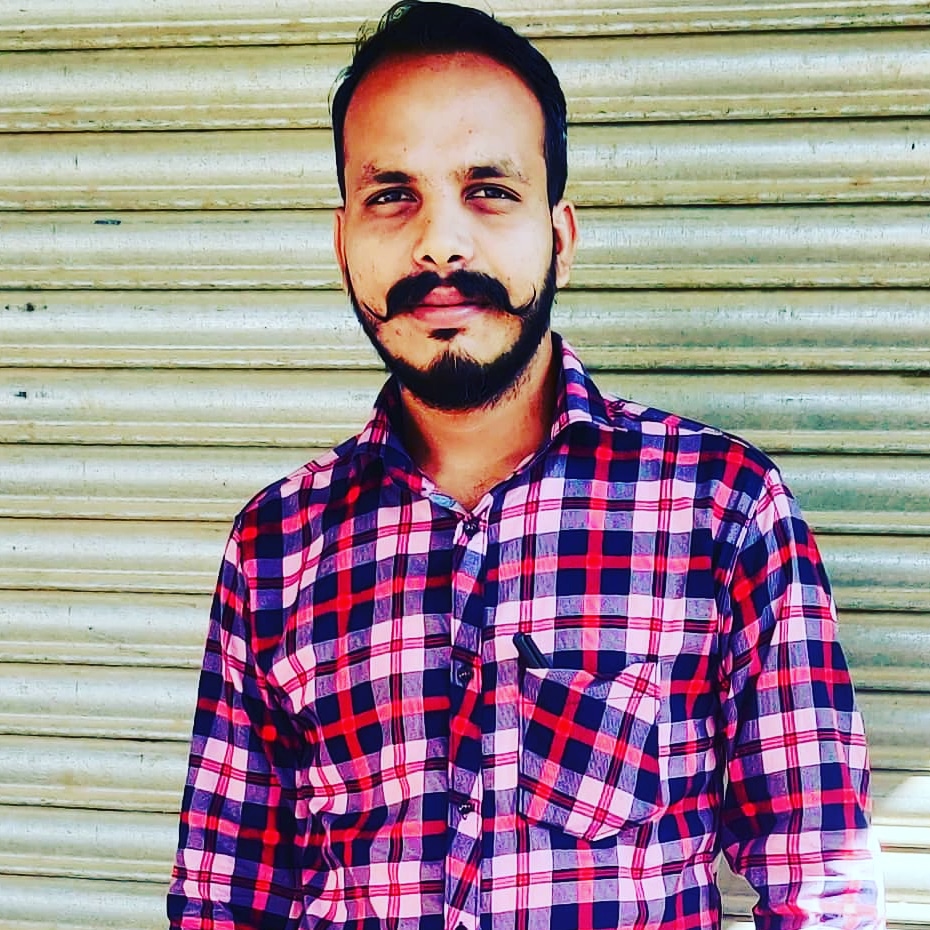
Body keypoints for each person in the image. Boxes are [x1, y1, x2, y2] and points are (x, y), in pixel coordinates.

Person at [167, 2, 885, 927]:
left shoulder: (721, 510)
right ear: (343, 241)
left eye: (490, 190)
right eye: (392, 195)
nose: (440, 243)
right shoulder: (276, 544)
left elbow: (820, 882)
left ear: (561, 237)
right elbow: (225, 894)